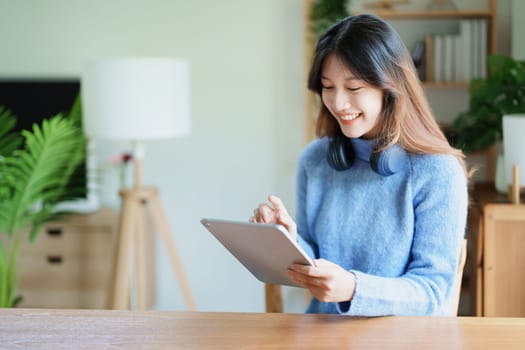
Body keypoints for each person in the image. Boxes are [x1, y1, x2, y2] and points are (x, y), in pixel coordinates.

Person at [250, 14, 468, 316]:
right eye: (328, 87)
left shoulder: (437, 172)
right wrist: (287, 238)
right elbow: (314, 258)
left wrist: (353, 288)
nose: (338, 103)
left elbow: (432, 291)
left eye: (353, 89)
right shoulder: (315, 161)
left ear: (390, 89)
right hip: (321, 335)